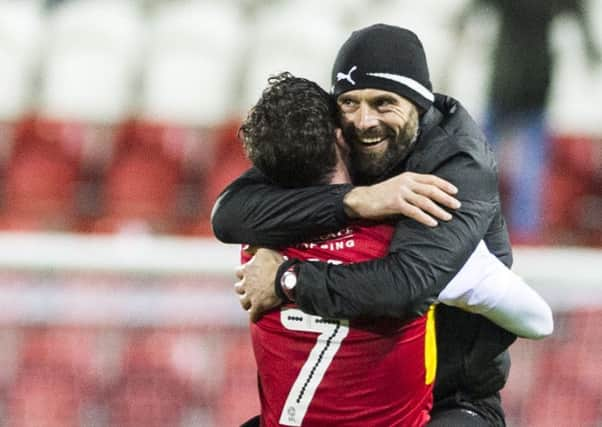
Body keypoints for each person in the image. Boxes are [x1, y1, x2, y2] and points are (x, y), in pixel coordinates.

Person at [213, 24, 527, 426]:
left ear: (420, 104)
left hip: (451, 396)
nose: (364, 122)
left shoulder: (457, 167)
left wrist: (286, 280)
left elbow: (406, 289)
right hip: (361, 400)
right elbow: (230, 214)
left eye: (383, 103)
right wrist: (355, 200)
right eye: (350, 103)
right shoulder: (341, 140)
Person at [454, 0, 601, 242]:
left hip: (506, 81)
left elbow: (473, 9)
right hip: (534, 85)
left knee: (481, 159)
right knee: (529, 165)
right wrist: (591, 54)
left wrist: (460, 28)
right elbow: (579, 16)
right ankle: (525, 229)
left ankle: (469, 216)